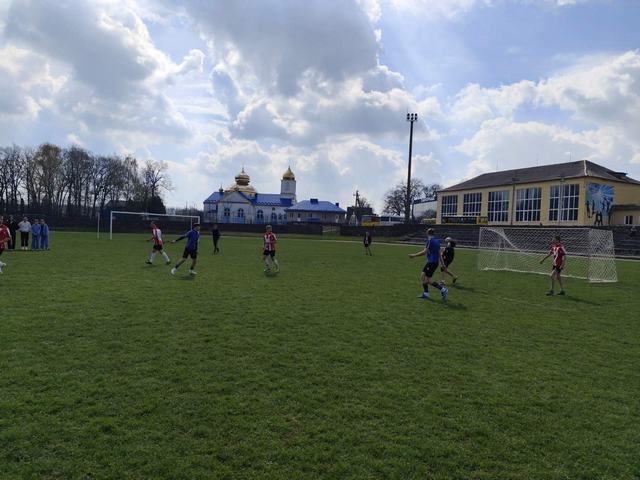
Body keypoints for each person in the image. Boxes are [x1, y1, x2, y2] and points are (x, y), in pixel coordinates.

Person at [409, 228, 448, 301]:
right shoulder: (437, 241)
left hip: (431, 262)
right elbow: (439, 254)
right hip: (435, 263)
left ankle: (442, 289)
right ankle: (426, 293)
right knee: (425, 278)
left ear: (427, 233)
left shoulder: (429, 241)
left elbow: (424, 252)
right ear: (433, 233)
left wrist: (414, 255)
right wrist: (443, 264)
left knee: (426, 279)